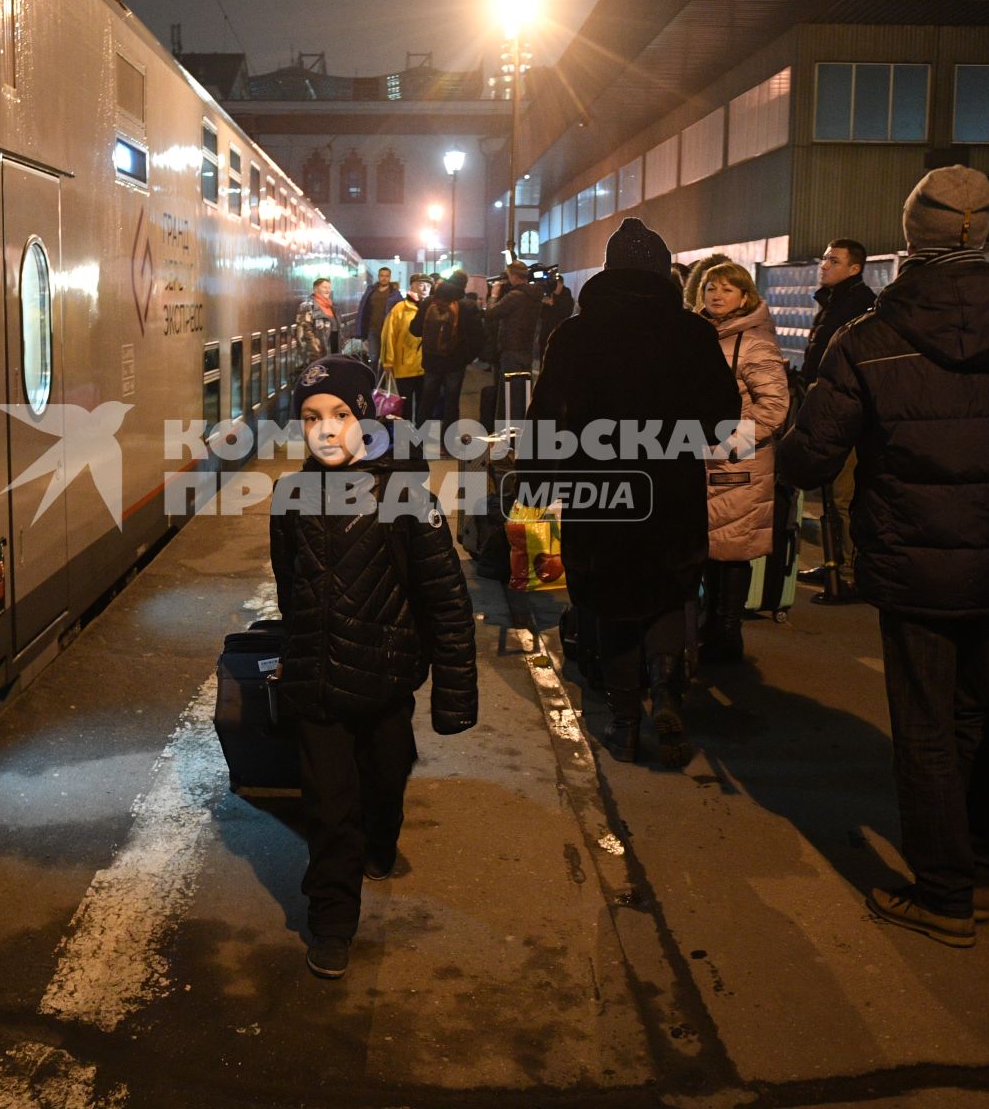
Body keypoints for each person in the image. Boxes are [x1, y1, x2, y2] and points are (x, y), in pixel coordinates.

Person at [778, 166, 989, 949]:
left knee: (924, 726)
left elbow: (810, 460)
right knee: (975, 715)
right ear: (983, 239)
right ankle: (978, 856)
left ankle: (944, 893)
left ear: (911, 236)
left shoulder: (869, 342)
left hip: (915, 569)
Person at [270, 355, 478, 978]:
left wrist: (453, 697)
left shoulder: (406, 498)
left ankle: (381, 836)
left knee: (386, 775)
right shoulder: (290, 497)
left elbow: (446, 601)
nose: (325, 431)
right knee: (329, 808)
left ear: (368, 419)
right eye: (311, 419)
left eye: (340, 415)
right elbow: (290, 584)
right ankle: (331, 919)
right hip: (317, 687)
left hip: (386, 684)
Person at [527, 218, 740, 765]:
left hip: (598, 491)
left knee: (610, 599)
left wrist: (533, 482)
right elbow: (723, 416)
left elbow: (547, 417)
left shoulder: (574, 334)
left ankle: (624, 721)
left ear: (608, 270)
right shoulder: (692, 332)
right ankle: (666, 693)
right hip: (671, 488)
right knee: (669, 591)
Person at [696, 262, 790, 664]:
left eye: (727, 290)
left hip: (738, 463)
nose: (717, 296)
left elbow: (774, 406)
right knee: (709, 548)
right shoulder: (701, 337)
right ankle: (709, 627)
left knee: (732, 550)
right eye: (711, 289)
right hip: (704, 458)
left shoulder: (754, 342)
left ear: (745, 296)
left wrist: (730, 445)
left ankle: (727, 632)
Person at [798, 239, 877, 604]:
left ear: (854, 268)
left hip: (846, 415)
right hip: (828, 410)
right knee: (832, 491)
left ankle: (846, 576)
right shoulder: (835, 301)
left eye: (833, 260)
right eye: (825, 258)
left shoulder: (858, 306)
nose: (824, 265)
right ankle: (833, 563)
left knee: (844, 494)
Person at [410, 272, 482, 433]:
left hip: (431, 361)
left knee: (426, 400)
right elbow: (478, 337)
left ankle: (421, 441)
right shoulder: (467, 305)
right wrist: (467, 358)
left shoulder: (429, 302)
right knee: (452, 402)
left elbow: (414, 330)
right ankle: (447, 443)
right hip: (455, 363)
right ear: (463, 285)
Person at [487, 260, 542, 422]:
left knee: (509, 392)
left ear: (512, 275)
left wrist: (494, 295)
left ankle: (509, 430)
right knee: (524, 389)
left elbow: (491, 313)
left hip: (511, 349)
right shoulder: (535, 296)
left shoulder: (514, 296)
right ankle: (524, 424)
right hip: (527, 348)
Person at [379, 273, 432, 423]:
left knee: (424, 407)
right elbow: (388, 335)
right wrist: (388, 361)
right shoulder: (400, 309)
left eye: (428, 286)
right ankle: (405, 442)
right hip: (404, 367)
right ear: (412, 286)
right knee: (404, 408)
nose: (425, 288)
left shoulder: (432, 308)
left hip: (426, 366)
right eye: (421, 284)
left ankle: (421, 443)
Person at [355, 266, 402, 368]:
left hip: (388, 330)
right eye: (382, 276)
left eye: (386, 276)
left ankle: (385, 382)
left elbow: (401, 311)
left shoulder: (395, 293)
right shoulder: (370, 291)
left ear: (390, 277)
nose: (384, 278)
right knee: (373, 357)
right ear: (378, 276)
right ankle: (374, 381)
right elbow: (362, 309)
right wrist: (360, 331)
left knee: (386, 358)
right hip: (372, 329)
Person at [295, 277, 339, 366]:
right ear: (315, 289)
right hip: (317, 352)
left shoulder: (331, 306)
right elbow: (305, 331)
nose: (327, 290)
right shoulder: (307, 306)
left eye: (329, 287)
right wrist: (315, 351)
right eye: (324, 287)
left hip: (333, 349)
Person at [536, 274, 573, 357]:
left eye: (557, 283)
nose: (555, 286)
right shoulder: (548, 293)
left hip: (559, 333)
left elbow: (567, 312)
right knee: (544, 358)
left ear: (561, 284)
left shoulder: (566, 295)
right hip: (545, 334)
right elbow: (542, 315)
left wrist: (553, 303)